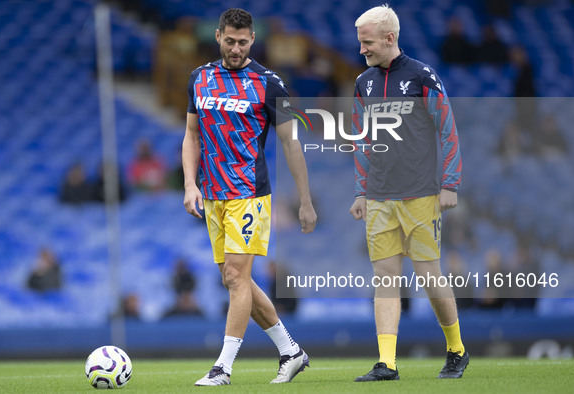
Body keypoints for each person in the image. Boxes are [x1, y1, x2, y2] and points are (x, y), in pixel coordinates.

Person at [182, 8, 317, 386]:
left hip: (249, 194)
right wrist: (190, 184)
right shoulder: (199, 78)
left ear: (253, 40)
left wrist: (305, 201)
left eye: (243, 42)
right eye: (230, 41)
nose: (236, 48)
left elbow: (291, 143)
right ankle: (290, 351)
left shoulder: (270, 83)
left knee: (237, 276)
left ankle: (222, 367)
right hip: (212, 194)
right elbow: (191, 135)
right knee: (234, 279)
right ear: (218, 36)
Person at [349, 5, 468, 382]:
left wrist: (450, 183)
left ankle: (457, 350)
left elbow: (447, 130)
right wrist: (360, 192)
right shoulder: (362, 83)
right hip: (380, 196)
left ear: (389, 38)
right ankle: (387, 363)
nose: (362, 50)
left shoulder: (422, 76)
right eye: (359, 43)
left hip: (419, 195)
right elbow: (362, 142)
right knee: (385, 278)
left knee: (429, 275)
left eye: (367, 43)